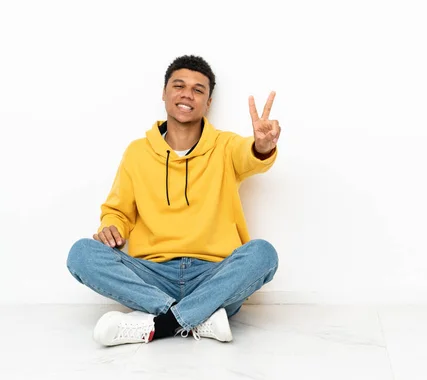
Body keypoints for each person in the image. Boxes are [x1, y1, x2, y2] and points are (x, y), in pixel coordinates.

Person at [66, 55, 281, 347]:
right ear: (165, 93)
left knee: (263, 254)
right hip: (154, 275)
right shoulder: (137, 152)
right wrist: (111, 226)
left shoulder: (226, 146)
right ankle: (200, 318)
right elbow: (118, 211)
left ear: (208, 103)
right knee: (81, 254)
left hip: (213, 275)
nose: (186, 94)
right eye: (179, 86)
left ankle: (163, 323)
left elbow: (250, 156)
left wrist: (261, 146)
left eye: (198, 90)